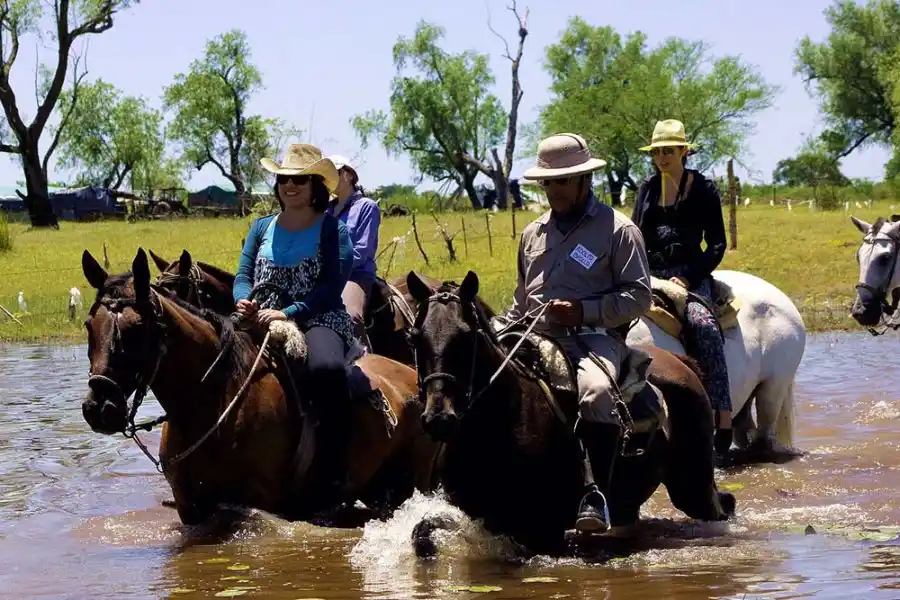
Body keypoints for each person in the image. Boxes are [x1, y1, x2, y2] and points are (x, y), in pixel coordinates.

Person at [508, 133, 653, 533]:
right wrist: (501, 329)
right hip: (534, 336)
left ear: (584, 181)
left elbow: (640, 296)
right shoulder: (531, 234)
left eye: (563, 181)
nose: (553, 190)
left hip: (593, 338)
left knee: (596, 392)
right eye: (548, 183)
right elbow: (521, 298)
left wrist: (583, 311)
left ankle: (595, 495)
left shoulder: (618, 230)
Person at [233, 143, 356, 493]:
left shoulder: (333, 230)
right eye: (284, 179)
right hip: (259, 316)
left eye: (299, 180)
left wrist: (288, 312)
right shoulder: (261, 228)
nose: (290, 186)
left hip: (318, 318)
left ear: (316, 185)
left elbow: (332, 288)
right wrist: (243, 301)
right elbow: (243, 275)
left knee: (326, 370)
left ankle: (337, 471)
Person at [631, 119, 732, 453]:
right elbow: (634, 233)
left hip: (689, 275)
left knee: (703, 326)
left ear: (684, 152)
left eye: (668, 151)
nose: (662, 157)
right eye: (657, 152)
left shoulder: (703, 188)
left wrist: (688, 277)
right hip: (649, 274)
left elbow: (717, 243)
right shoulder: (646, 188)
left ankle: (723, 415)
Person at [326, 155, 382, 351]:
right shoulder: (325, 211)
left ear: (349, 175)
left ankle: (363, 362)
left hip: (356, 275)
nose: (329, 178)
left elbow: (362, 251)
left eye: (334, 173)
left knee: (349, 315)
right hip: (326, 274)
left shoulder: (367, 207)